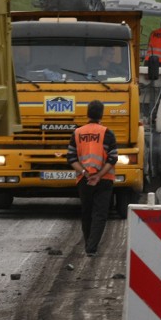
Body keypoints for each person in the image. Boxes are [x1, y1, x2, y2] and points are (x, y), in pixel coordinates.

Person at [67, 100, 118, 257]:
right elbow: (113, 158)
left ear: (87, 113)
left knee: (87, 212)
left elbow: (71, 158)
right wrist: (98, 175)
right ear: (101, 114)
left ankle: (89, 243)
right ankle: (92, 247)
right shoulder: (107, 133)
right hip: (104, 179)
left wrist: (85, 173)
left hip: (84, 180)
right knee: (100, 214)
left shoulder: (77, 133)